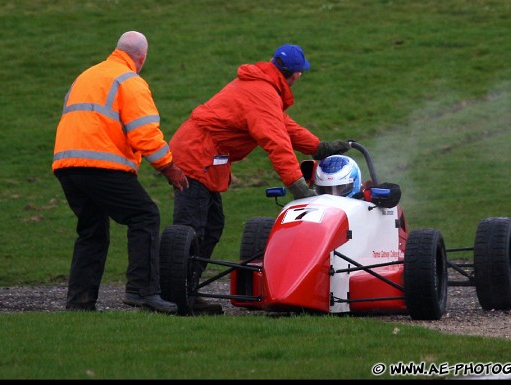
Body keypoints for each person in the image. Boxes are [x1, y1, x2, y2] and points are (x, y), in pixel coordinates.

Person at [167, 44, 350, 314]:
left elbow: (282, 125)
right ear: (297, 75)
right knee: (192, 229)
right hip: (196, 157)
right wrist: (299, 188)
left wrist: (318, 148)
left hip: (200, 155)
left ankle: (184, 291)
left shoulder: (261, 87)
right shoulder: (262, 93)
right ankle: (177, 297)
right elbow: (276, 143)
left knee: (212, 225)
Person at [52, 30, 189, 314]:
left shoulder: (86, 76)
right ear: (142, 57)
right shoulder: (130, 81)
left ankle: (79, 302)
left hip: (67, 165)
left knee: (92, 230)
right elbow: (145, 133)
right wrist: (169, 168)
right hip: (102, 164)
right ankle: (142, 291)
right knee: (145, 215)